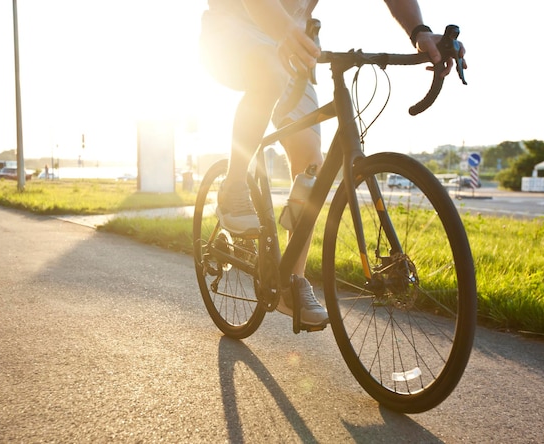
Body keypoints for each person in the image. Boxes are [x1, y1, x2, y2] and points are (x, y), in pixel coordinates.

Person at [199, 0, 466, 328]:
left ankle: (291, 283)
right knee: (268, 72)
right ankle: (234, 184)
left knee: (311, 161)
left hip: (298, 38)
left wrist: (419, 31)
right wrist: (285, 31)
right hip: (234, 29)